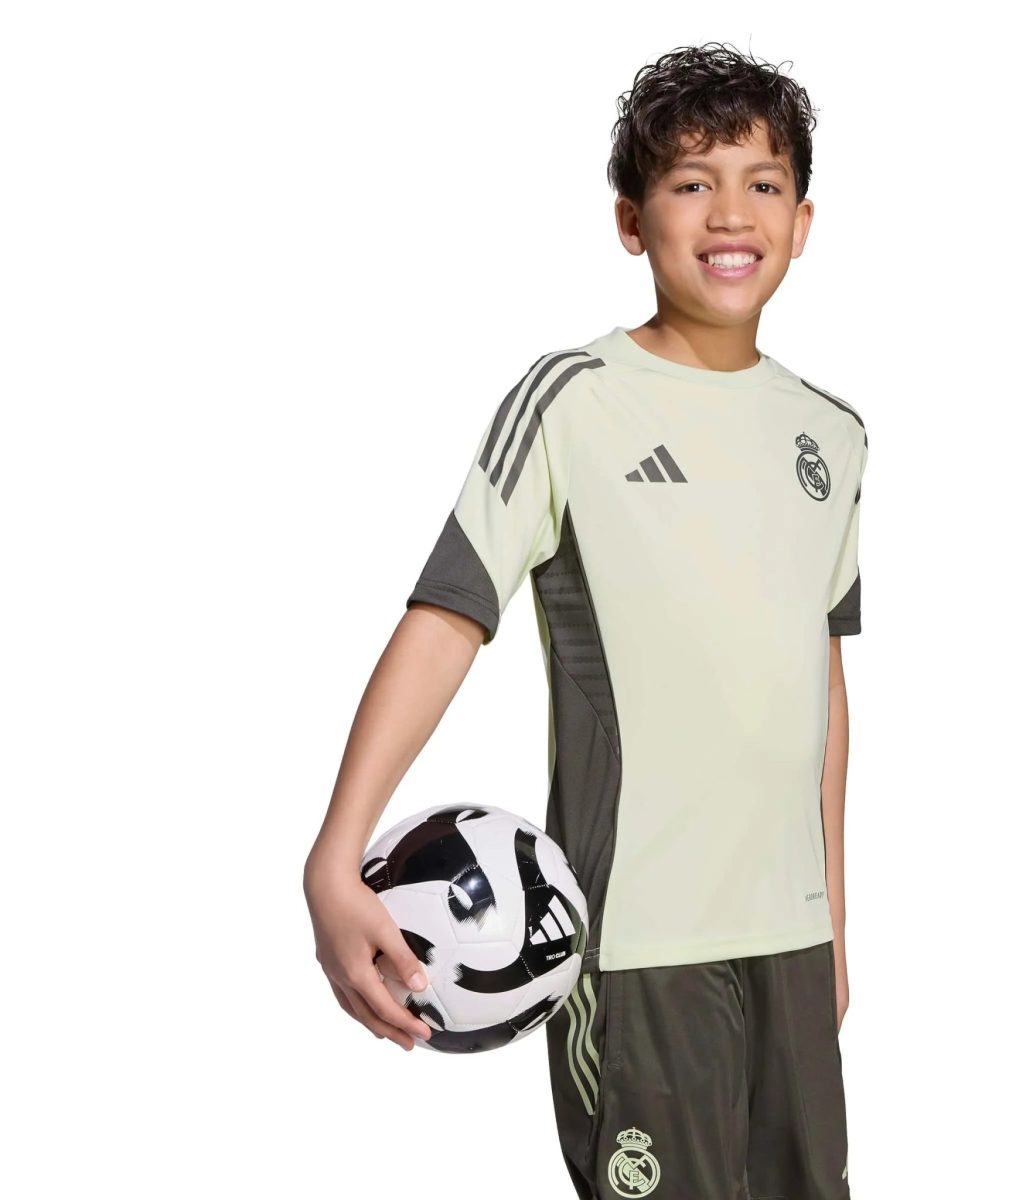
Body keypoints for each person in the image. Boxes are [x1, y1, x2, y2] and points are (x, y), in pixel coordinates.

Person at [304, 41, 867, 1200]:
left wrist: (836, 924)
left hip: (792, 946)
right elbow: (448, 616)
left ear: (803, 221)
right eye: (691, 182)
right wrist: (333, 853)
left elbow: (817, 679)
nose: (731, 213)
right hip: (638, 948)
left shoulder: (834, 434)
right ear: (630, 220)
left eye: (762, 183)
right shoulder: (571, 402)